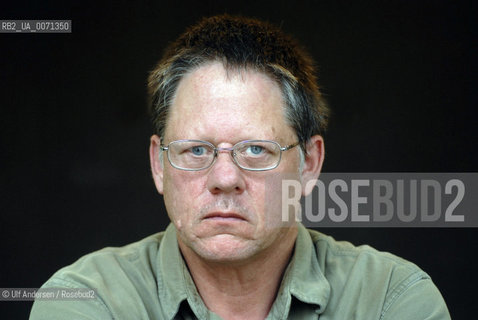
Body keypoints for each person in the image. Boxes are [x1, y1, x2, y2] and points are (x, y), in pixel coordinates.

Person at [30, 14, 450, 320]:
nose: (224, 179)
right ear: (159, 164)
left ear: (309, 164)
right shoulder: (86, 300)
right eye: (196, 150)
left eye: (256, 150)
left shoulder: (390, 299)